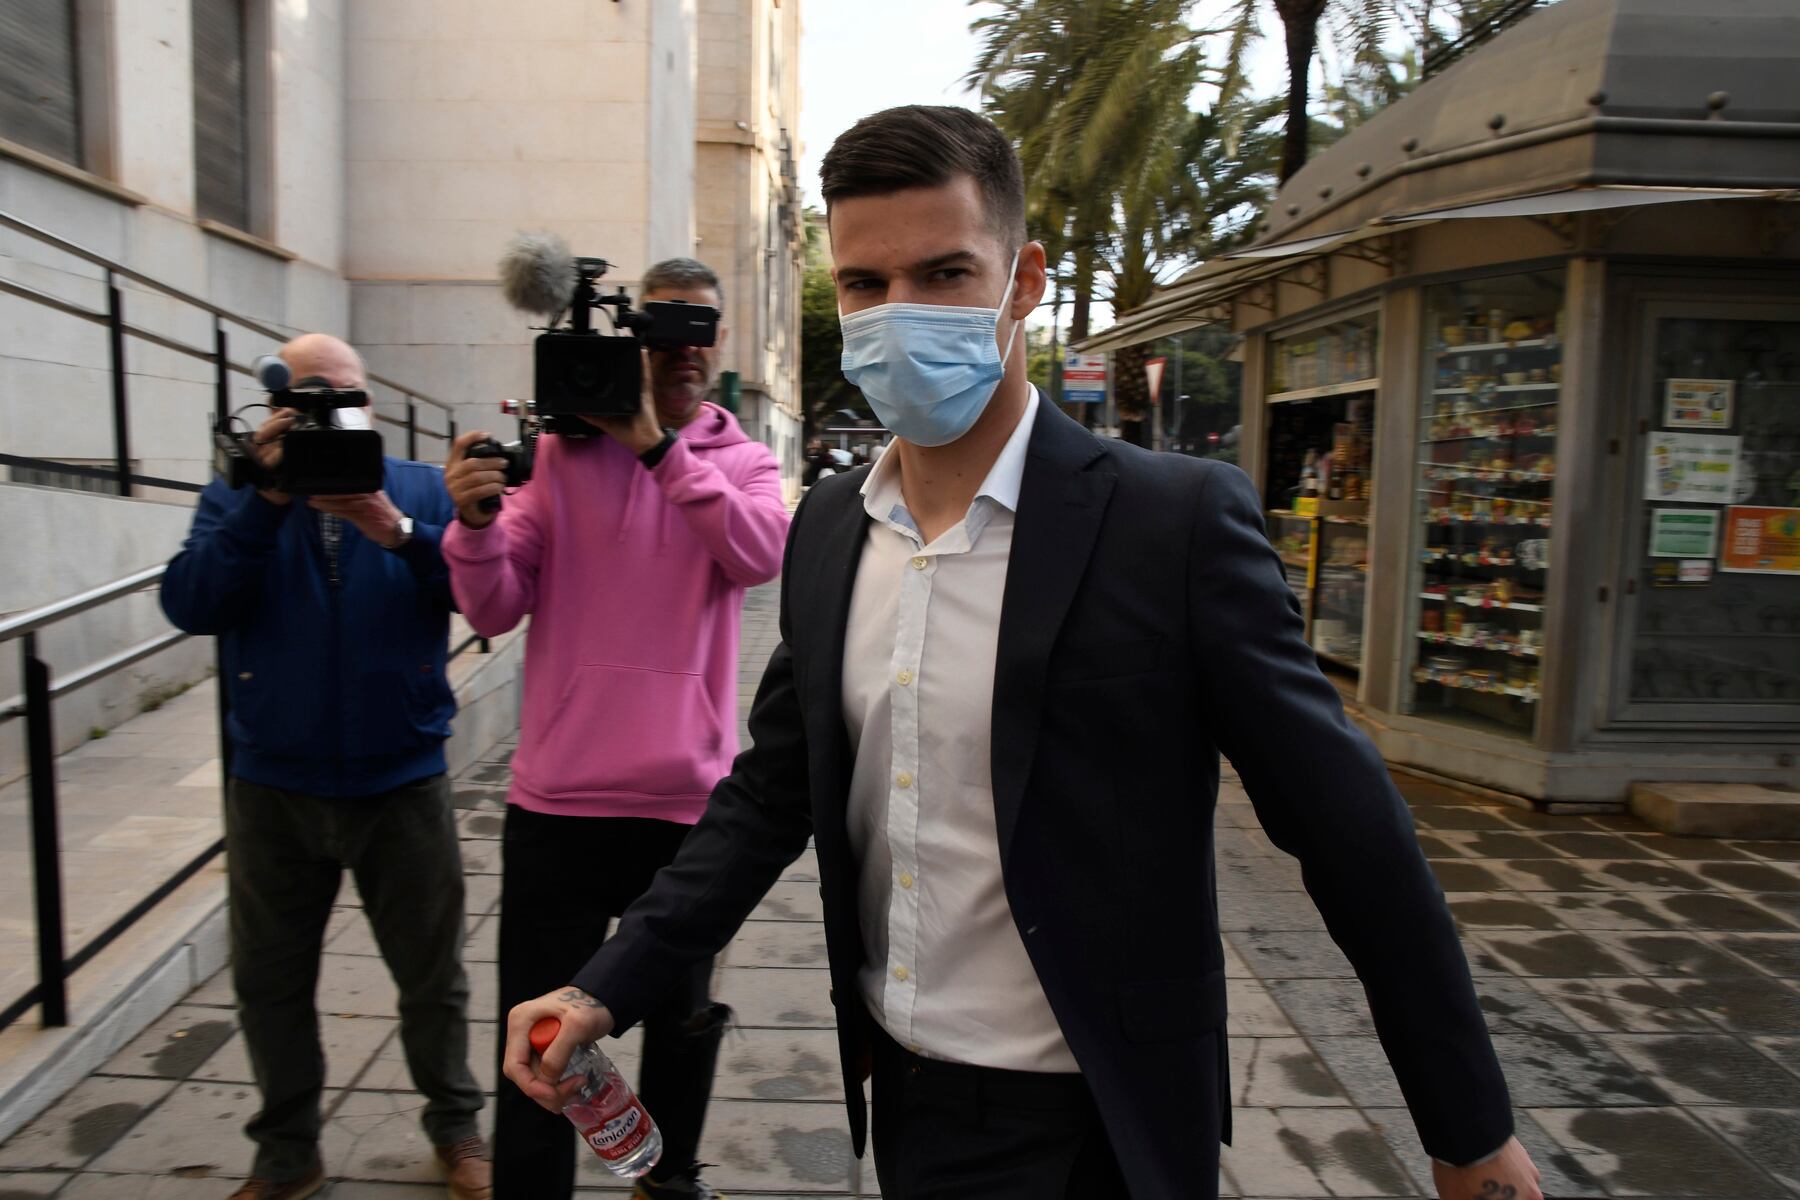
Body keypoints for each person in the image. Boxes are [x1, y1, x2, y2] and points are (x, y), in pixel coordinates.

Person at [500, 107, 1546, 1200]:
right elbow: (767, 796)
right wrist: (606, 987)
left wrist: (1466, 1128)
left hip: (1099, 1121)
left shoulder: (1170, 524)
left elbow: (1350, 834)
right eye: (863, 284)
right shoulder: (829, 530)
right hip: (902, 1097)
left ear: (1025, 278)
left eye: (946, 272)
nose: (899, 316)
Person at [441, 258, 789, 1200]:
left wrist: (655, 450)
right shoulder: (559, 457)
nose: (683, 350)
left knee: (679, 1020)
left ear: (717, 343)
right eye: (663, 331)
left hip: (685, 805)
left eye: (700, 330)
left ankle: (667, 1178)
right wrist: (471, 525)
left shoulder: (744, 461)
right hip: (556, 799)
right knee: (539, 1034)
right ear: (632, 339)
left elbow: (759, 555)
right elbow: (495, 604)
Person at [161, 334, 489, 1200]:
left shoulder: (420, 488)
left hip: (402, 777)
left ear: (370, 403)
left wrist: (400, 529)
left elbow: (476, 593)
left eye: (344, 396)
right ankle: (286, 1154)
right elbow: (190, 601)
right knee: (271, 983)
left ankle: (457, 1129)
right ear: (279, 410)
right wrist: (265, 498)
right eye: (309, 399)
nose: (329, 413)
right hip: (275, 784)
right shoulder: (240, 495)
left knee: (433, 979)